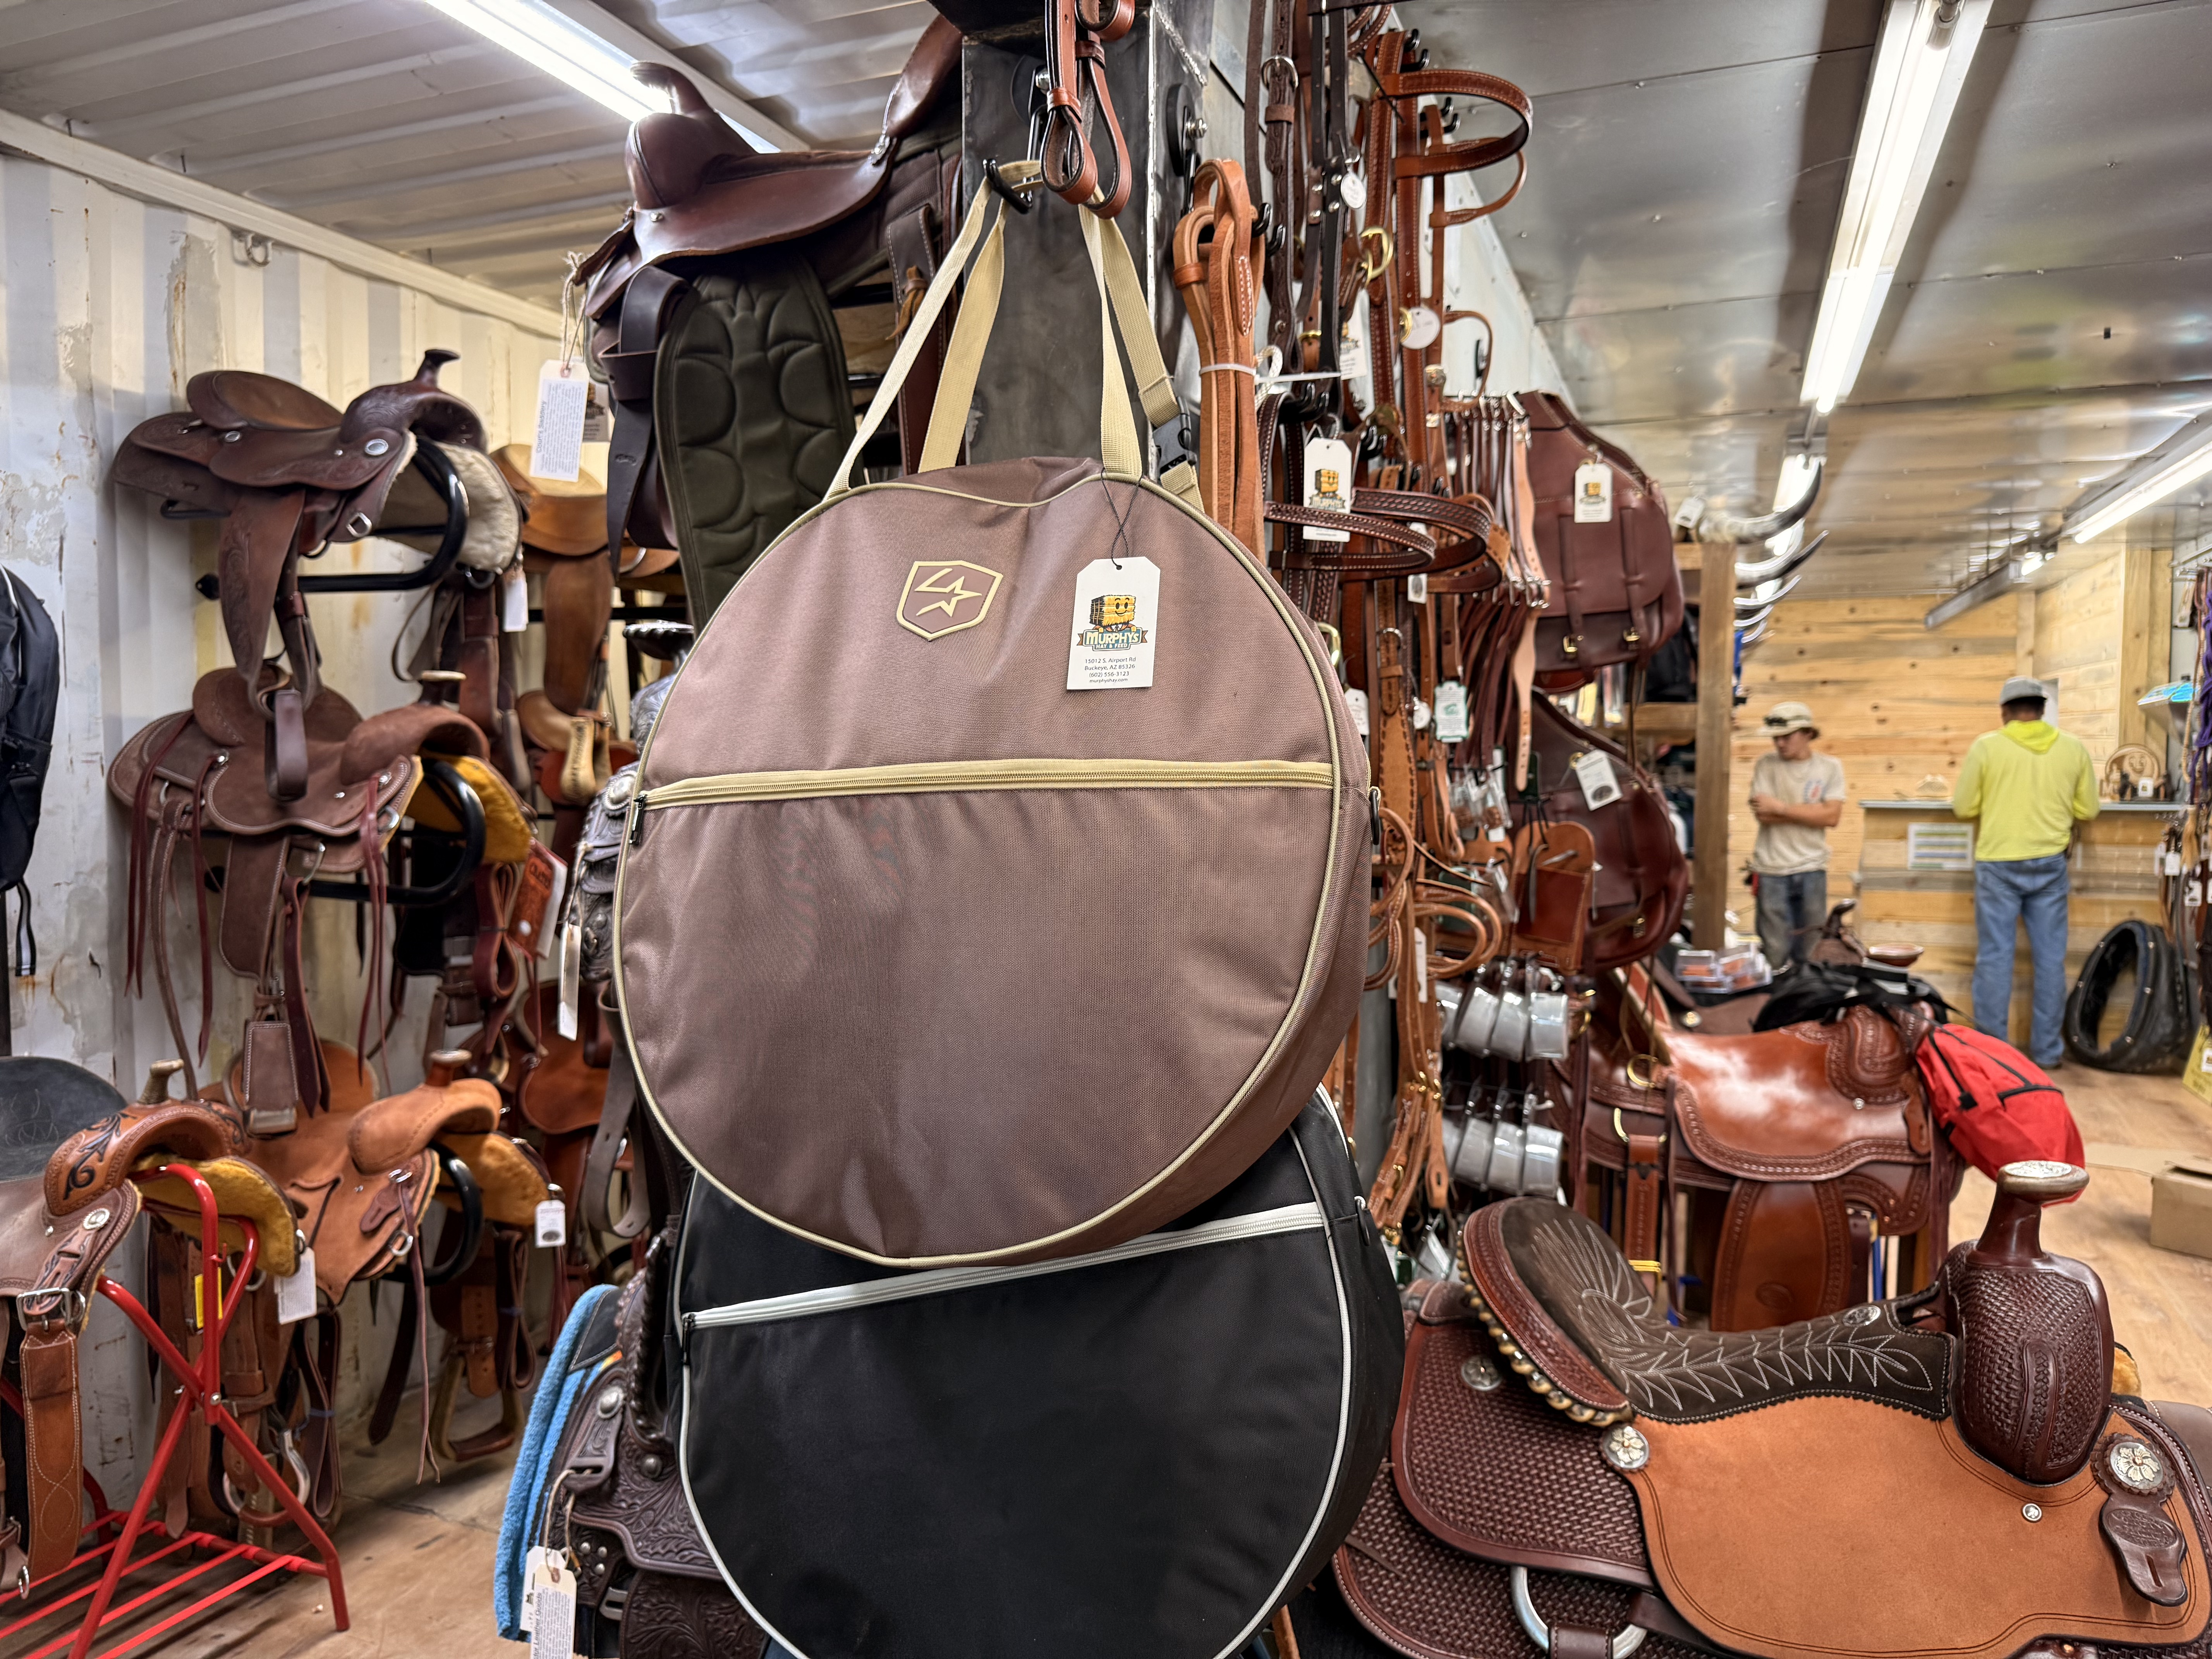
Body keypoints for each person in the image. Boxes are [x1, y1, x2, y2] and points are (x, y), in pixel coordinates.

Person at [1951, 676, 2099, 1068]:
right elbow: (2089, 810)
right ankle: (2048, 1054)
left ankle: (1992, 1055)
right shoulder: (2073, 748)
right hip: (2050, 863)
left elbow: (1964, 808)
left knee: (1995, 958)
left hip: (1998, 864)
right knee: (2050, 962)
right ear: (2043, 709)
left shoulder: (1987, 747)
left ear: (2005, 712)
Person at [1748, 701, 1847, 970]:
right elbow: (1763, 814)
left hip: (1812, 867)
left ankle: (1807, 992)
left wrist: (1780, 808)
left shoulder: (1830, 767)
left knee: (1812, 948)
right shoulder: (1766, 765)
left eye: (1787, 737)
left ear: (1807, 734)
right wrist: (1812, 813)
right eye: (1776, 738)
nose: (1780, 744)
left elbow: (1831, 817)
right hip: (1771, 869)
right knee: (1774, 951)